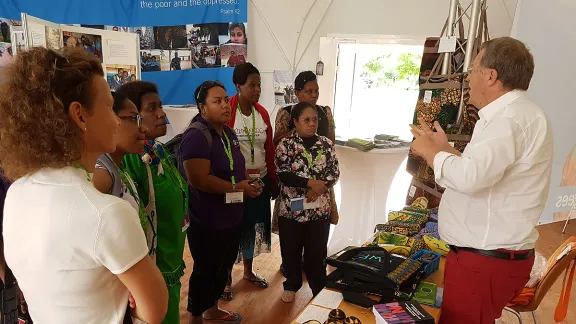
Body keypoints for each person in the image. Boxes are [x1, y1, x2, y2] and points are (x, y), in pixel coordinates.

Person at [0, 46, 167, 323]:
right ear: (79, 115)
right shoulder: (107, 212)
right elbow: (154, 308)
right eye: (110, 108)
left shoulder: (18, 193)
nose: (116, 121)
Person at [409, 37, 553, 324]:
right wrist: (446, 150)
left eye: (472, 69)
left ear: (490, 76)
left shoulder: (508, 120)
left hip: (486, 261)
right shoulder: (513, 115)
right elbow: (486, 171)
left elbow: (471, 177)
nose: (468, 77)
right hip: (486, 259)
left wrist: (431, 153)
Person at [181, 81, 260, 324]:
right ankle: (196, 317)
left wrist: (248, 181)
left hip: (231, 217)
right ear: (202, 108)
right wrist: (238, 188)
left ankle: (212, 309)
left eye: (226, 99)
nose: (226, 105)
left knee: (223, 267)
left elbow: (233, 169)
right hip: (207, 220)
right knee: (205, 270)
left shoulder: (227, 133)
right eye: (217, 101)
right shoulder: (196, 136)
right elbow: (199, 180)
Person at [116, 81, 189, 324]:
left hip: (171, 259)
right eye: (151, 109)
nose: (162, 114)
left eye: (160, 106)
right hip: (151, 268)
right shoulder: (131, 161)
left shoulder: (158, 150)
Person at [273, 70, 339, 275]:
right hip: (295, 199)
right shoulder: (286, 114)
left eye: (316, 91)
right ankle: (291, 277)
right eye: (308, 91)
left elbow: (331, 154)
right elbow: (278, 149)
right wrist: (297, 129)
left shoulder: (325, 112)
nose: (313, 95)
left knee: (317, 246)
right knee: (291, 243)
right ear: (297, 92)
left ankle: (314, 277)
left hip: (320, 190)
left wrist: (319, 187)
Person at [222, 63, 278, 300]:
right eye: (252, 85)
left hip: (260, 181)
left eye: (259, 85)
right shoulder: (228, 111)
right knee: (231, 228)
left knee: (253, 226)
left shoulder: (262, 113)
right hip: (236, 183)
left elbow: (269, 148)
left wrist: (272, 178)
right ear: (238, 86)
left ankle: (248, 271)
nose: (257, 90)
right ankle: (225, 279)